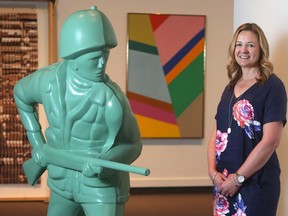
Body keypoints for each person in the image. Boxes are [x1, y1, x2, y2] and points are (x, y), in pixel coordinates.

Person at [13, 6, 143, 216]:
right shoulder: (48, 81)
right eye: (94, 58)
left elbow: (134, 144)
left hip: (100, 187)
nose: (102, 63)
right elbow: (20, 94)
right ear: (73, 57)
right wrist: (38, 145)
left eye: (106, 55)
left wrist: (106, 164)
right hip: (61, 183)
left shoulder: (113, 99)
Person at [207, 23, 287, 215]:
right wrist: (212, 172)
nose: (243, 50)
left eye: (250, 45)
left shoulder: (272, 86)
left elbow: (271, 142)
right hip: (223, 183)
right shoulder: (230, 87)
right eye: (239, 44)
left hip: (255, 184)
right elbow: (216, 133)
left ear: (261, 50)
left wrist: (238, 179)